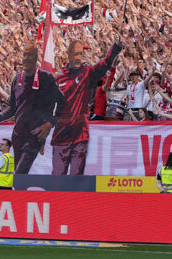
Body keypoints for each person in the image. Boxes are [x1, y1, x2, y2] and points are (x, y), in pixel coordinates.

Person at [0, 46, 65, 174]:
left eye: (29, 55)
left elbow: (62, 102)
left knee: (20, 173)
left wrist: (50, 123)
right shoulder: (17, 79)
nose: (26, 58)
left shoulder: (46, 78)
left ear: (35, 58)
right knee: (20, 175)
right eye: (24, 55)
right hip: (18, 136)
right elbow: (13, 109)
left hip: (35, 136)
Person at [51, 40, 124, 175]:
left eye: (80, 54)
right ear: (69, 55)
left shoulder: (87, 73)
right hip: (61, 136)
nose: (78, 57)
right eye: (75, 54)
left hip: (80, 136)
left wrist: (116, 46)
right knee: (57, 177)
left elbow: (105, 63)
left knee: (76, 178)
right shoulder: (58, 78)